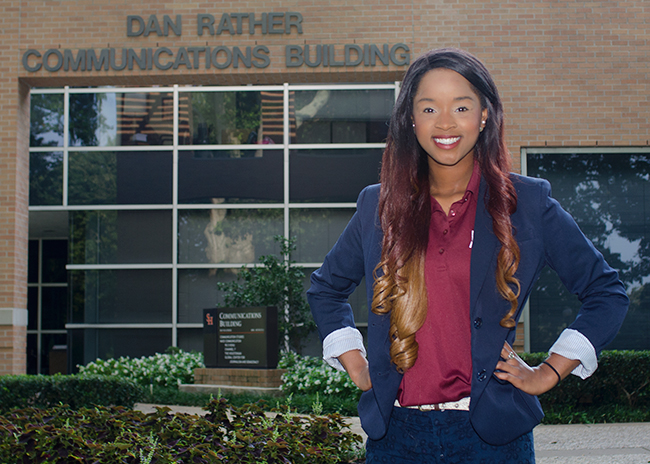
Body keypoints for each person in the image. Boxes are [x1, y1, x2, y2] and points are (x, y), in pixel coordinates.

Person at [307, 48, 629, 463]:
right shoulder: (378, 207)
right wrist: (354, 361)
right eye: (428, 107)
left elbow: (606, 292)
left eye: (461, 106)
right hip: (397, 440)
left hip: (493, 441)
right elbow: (326, 289)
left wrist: (549, 371)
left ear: (484, 115)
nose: (445, 122)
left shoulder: (527, 203)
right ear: (411, 119)